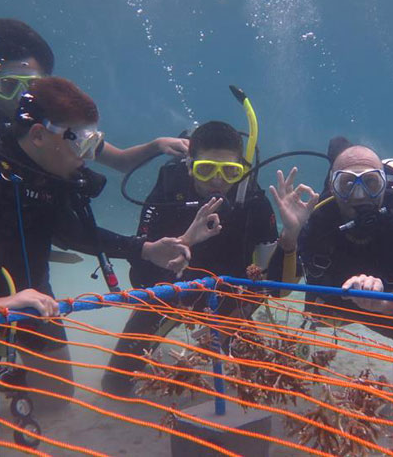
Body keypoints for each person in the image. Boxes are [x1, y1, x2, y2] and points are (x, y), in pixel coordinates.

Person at [0, 77, 200, 455]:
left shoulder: (40, 178)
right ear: (40, 135)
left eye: (95, 142)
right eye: (81, 142)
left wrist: (144, 249)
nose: (88, 155)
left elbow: (70, 231)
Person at [102, 120, 319, 395]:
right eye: (206, 170)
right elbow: (142, 278)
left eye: (230, 172)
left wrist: (290, 236)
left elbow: (275, 287)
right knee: (115, 385)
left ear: (241, 169)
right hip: (170, 296)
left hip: (230, 302)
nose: (218, 181)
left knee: (256, 386)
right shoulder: (168, 193)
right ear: (189, 165)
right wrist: (183, 244)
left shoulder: (253, 202)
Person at [0, 17, 188, 170]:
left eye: (30, 87)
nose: (19, 98)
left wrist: (157, 145)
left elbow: (121, 161)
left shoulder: (61, 128)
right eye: (8, 86)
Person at [298, 144, 393, 354]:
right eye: (347, 183)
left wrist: (385, 304)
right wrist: (289, 236)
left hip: (387, 310)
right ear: (332, 187)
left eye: (370, 182)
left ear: (384, 184)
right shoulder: (318, 220)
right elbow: (277, 289)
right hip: (335, 310)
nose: (359, 195)